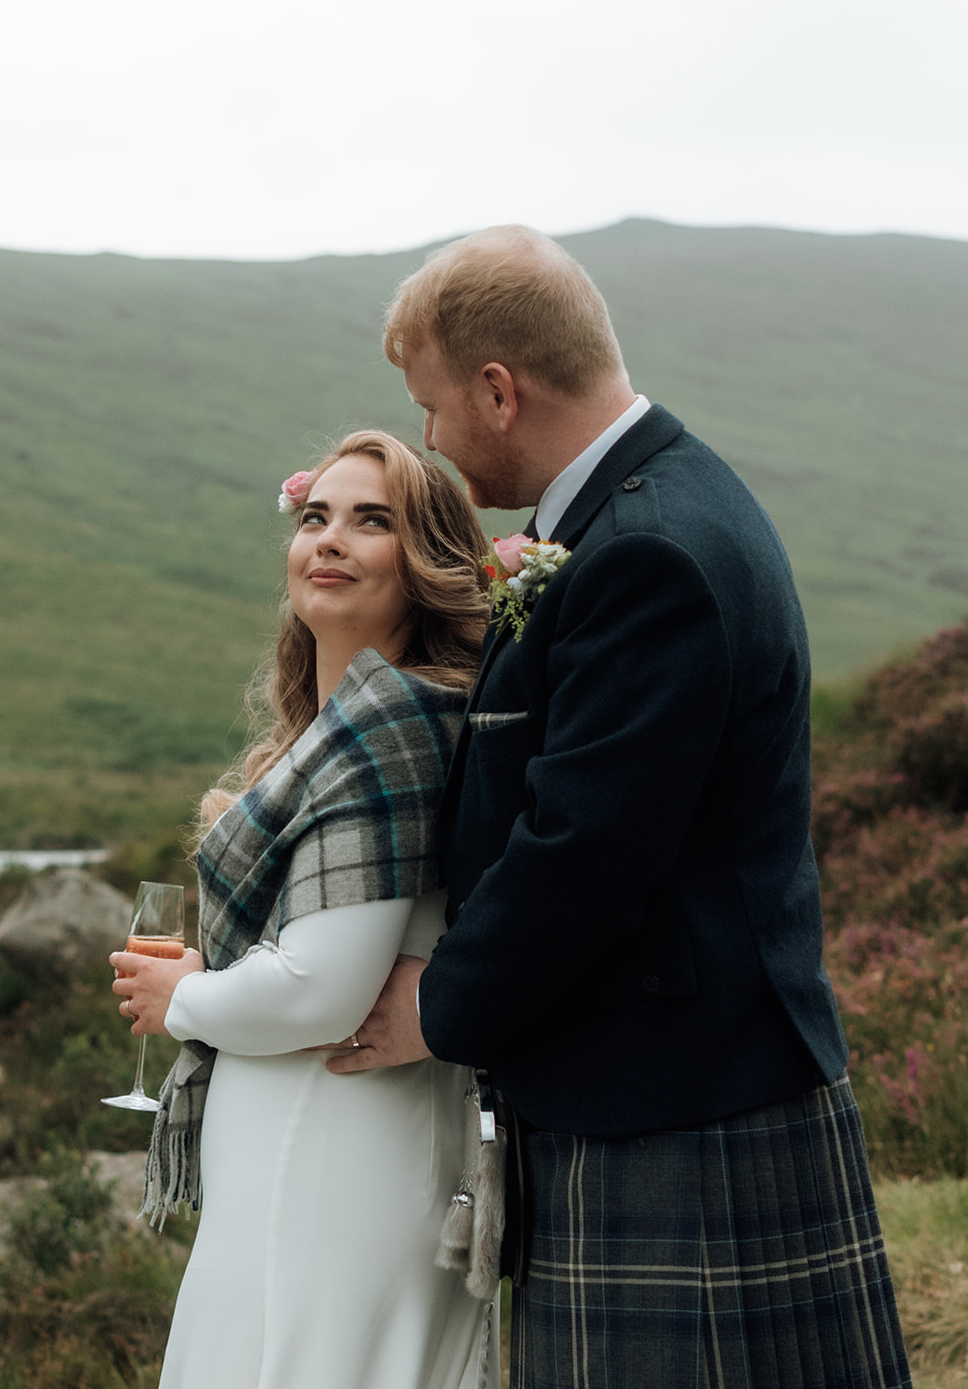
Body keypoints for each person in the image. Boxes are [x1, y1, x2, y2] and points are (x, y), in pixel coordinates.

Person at [327, 227, 912, 1389]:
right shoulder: (634, 515)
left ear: (499, 391)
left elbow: (585, 846)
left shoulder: (647, 550)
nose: (431, 441)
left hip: (677, 1101)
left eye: (432, 409)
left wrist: (440, 1003)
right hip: (667, 1080)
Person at [110, 429, 499, 1389]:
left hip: (331, 1149)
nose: (329, 539)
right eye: (315, 516)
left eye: (372, 522)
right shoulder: (343, 724)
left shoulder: (390, 721)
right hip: (311, 1151)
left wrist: (184, 998)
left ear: (427, 565)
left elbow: (322, 990)